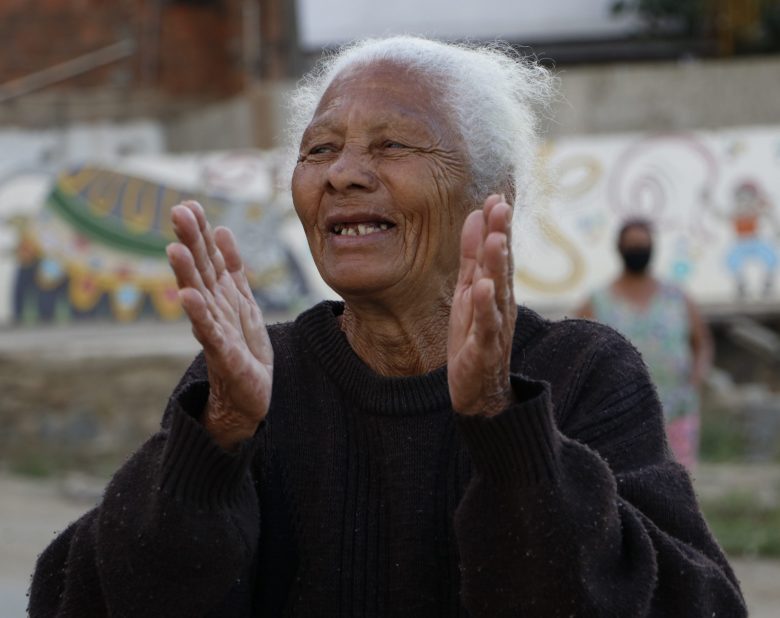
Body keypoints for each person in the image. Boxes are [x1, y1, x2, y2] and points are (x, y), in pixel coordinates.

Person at [30, 37, 744, 617]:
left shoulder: (582, 372)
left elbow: (697, 603)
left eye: (393, 145)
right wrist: (211, 442)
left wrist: (503, 424)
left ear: (492, 194)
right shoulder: (254, 382)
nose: (342, 173)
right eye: (319, 149)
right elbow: (78, 598)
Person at [576, 218, 713, 470]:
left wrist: (695, 381)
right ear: (619, 248)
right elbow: (574, 351)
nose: (638, 250)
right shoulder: (598, 301)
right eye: (632, 245)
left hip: (676, 413)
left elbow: (701, 343)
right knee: (627, 488)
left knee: (677, 487)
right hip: (619, 418)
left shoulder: (677, 298)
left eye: (643, 244)